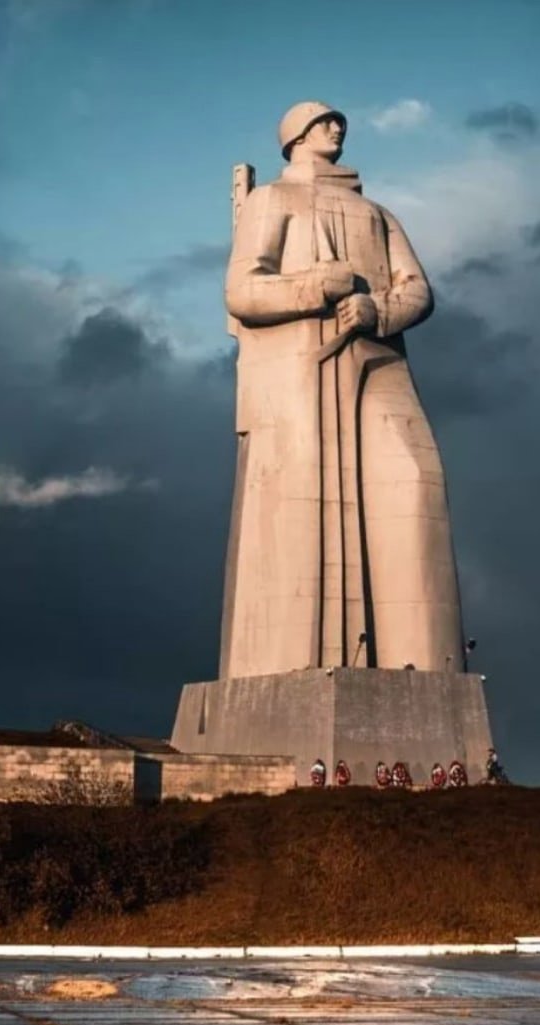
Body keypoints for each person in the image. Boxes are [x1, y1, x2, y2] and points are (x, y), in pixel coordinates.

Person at [221, 101, 465, 678]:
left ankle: (427, 668)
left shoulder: (377, 214)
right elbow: (242, 290)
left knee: (414, 480)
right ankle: (297, 664)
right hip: (300, 371)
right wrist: (316, 286)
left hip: (378, 359)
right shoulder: (271, 200)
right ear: (296, 136)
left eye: (340, 123)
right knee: (304, 504)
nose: (337, 129)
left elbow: (419, 291)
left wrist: (376, 308)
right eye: (324, 121)